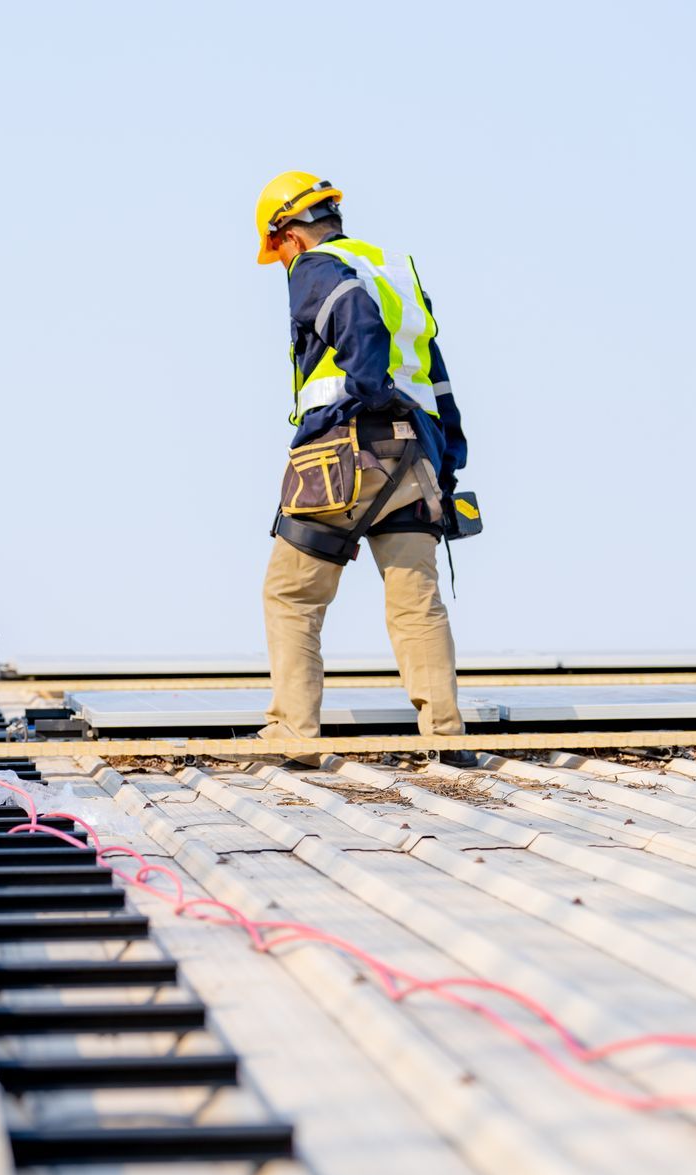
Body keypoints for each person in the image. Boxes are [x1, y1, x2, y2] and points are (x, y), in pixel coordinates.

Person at [253, 171, 469, 754]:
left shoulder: (317, 267)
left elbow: (355, 322)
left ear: (288, 235)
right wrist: (447, 467)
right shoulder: (396, 271)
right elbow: (438, 379)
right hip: (415, 457)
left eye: (277, 251)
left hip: (344, 455)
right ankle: (445, 738)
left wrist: (370, 393)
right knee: (415, 598)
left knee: (293, 595)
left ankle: (294, 736)